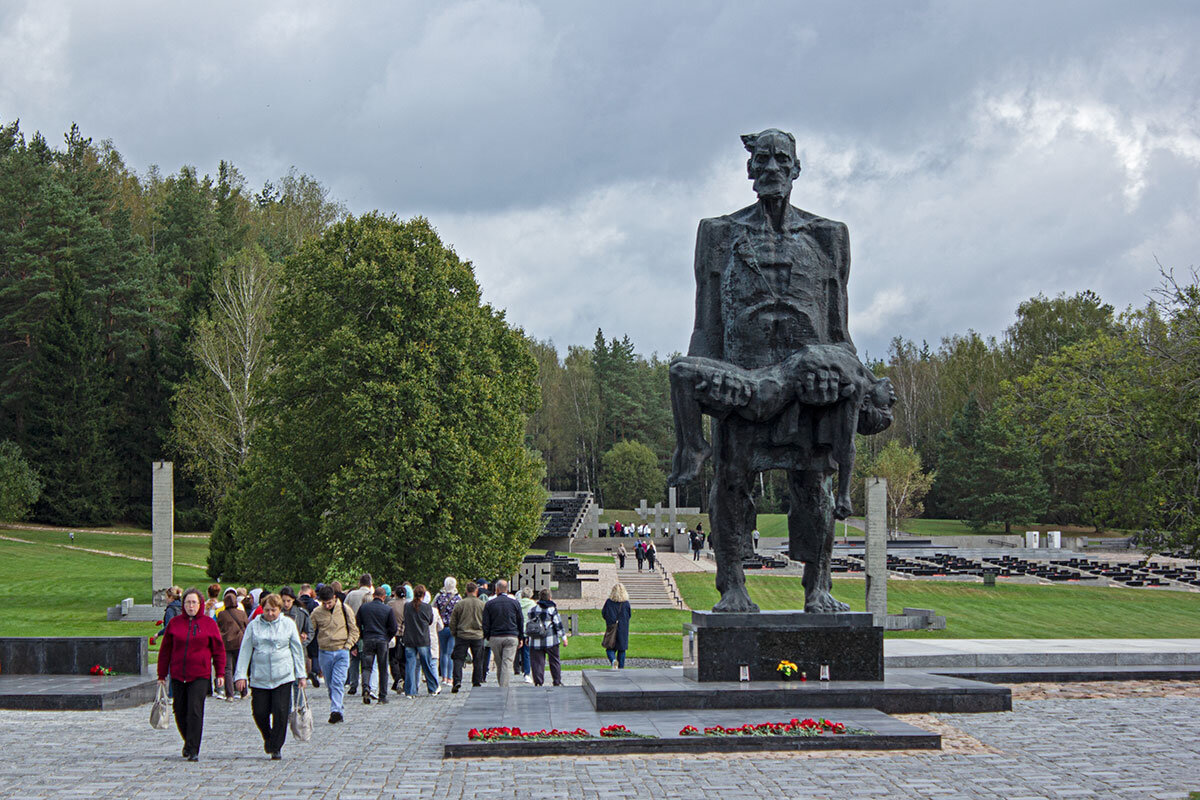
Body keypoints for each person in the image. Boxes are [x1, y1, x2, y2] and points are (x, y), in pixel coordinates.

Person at [667, 128, 895, 613]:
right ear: (750, 170)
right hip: (744, 379)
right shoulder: (718, 233)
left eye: (781, 160)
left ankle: (819, 587)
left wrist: (851, 377)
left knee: (815, 484)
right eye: (762, 160)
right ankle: (732, 584)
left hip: (811, 387)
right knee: (731, 478)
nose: (771, 168)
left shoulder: (828, 236)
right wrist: (705, 395)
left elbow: (839, 329)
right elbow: (706, 325)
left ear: (796, 168)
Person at [233, 593, 307, 760]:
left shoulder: (288, 624)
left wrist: (301, 675)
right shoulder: (254, 626)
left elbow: (296, 650)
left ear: (279, 610)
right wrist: (240, 675)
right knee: (259, 711)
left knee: (281, 712)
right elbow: (245, 650)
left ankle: (276, 746)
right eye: (267, 610)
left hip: (283, 675)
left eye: (273, 610)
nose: (270, 614)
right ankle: (268, 736)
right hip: (260, 676)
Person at [157, 588, 225, 761]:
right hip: (179, 674)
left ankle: (194, 748)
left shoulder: (209, 624)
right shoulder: (175, 623)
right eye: (187, 602)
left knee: (195, 710)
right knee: (179, 710)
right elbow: (165, 650)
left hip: (199, 674)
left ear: (200, 604)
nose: (191, 606)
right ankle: (188, 740)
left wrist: (220, 672)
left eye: (194, 602)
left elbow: (218, 650)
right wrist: (161, 674)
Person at [309, 584, 359, 724]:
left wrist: (348, 645)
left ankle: (335, 711)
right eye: (324, 603)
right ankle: (337, 707)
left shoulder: (345, 609)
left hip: (342, 650)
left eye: (329, 602)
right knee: (330, 684)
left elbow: (354, 630)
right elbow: (311, 631)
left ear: (334, 598)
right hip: (325, 651)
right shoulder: (316, 613)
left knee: (338, 681)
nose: (326, 605)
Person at [355, 586, 399, 704]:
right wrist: (387, 637)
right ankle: (382, 696)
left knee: (366, 667)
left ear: (373, 595)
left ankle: (365, 687)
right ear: (384, 597)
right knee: (383, 668)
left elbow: (357, 623)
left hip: (368, 639)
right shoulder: (387, 609)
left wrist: (363, 635)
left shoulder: (364, 608)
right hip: (382, 640)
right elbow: (394, 628)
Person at [481, 579, 521, 687]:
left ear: (497, 589)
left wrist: (487, 636)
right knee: (506, 664)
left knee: (500, 664)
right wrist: (520, 637)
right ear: (507, 589)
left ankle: (502, 686)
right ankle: (503, 687)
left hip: (495, 637)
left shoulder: (489, 604)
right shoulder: (515, 603)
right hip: (511, 636)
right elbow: (520, 621)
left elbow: (485, 623)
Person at [402, 585, 440, 697]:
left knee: (410, 665)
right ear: (424, 595)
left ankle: (410, 691)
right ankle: (432, 687)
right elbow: (430, 621)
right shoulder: (427, 607)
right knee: (426, 664)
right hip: (422, 639)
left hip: (409, 638)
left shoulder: (407, 606)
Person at [448, 581, 486, 692]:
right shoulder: (481, 604)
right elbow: (486, 621)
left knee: (458, 659)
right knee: (478, 659)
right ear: (476, 591)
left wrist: (454, 633)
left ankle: (457, 680)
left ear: (466, 591)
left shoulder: (460, 604)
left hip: (462, 635)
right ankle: (477, 681)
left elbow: (453, 621)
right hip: (477, 635)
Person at [525, 589, 568, 686]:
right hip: (551, 640)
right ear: (550, 597)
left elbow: (529, 625)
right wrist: (564, 637)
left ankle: (538, 682)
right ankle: (556, 681)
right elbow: (558, 625)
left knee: (537, 663)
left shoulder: (532, 610)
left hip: (535, 640)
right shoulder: (551, 609)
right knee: (554, 661)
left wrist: (527, 637)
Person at [343, 574, 373, 696]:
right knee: (366, 660)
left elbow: (344, 609)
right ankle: (367, 685)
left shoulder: (351, 595)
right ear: (370, 584)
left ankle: (353, 684)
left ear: (359, 583)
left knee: (354, 659)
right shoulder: (371, 596)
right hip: (367, 631)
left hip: (353, 629)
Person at [216, 588, 248, 701]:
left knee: (227, 669)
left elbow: (218, 627)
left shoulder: (221, 614)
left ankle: (229, 694)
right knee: (240, 667)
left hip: (226, 644)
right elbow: (246, 626)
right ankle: (244, 692)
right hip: (239, 643)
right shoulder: (242, 613)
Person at [279, 586, 313, 683]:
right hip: (281, 650)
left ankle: (299, 697)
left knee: (298, 680)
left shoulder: (301, 613)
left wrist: (304, 641)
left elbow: (310, 631)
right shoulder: (277, 613)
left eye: (288, 601)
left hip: (298, 650)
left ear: (293, 599)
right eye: (283, 601)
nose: (286, 604)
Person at [433, 577, 460, 686]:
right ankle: (450, 677)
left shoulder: (439, 597)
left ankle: (443, 677)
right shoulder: (458, 598)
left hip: (441, 627)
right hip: (453, 628)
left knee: (443, 652)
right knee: (450, 653)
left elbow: (434, 609)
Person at [601, 583, 632, 668]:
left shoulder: (609, 602)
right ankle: (621, 668)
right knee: (622, 649)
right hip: (623, 629)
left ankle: (613, 661)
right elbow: (629, 615)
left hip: (612, 627)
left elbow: (604, 614)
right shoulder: (626, 604)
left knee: (610, 648)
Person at [387, 587, 408, 693]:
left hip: (393, 635)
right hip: (405, 634)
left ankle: (397, 678)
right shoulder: (408, 605)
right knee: (403, 660)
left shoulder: (390, 605)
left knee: (393, 659)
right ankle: (404, 679)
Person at [517, 586, 536, 683]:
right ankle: (527, 673)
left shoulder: (517, 603)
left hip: (517, 630)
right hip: (527, 630)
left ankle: (516, 668)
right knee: (527, 653)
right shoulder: (532, 604)